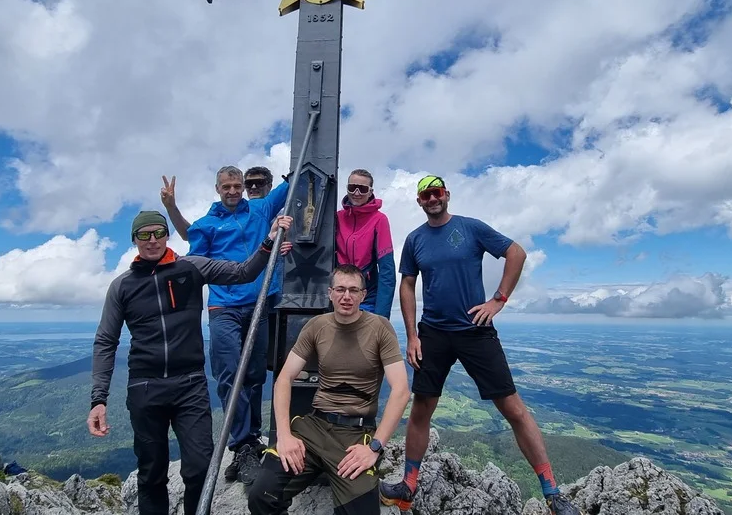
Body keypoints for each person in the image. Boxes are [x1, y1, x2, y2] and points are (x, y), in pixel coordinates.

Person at [379, 176, 580, 515]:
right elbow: (407, 286)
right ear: (419, 201)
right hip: (434, 334)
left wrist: (498, 299)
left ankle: (552, 492)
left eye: (437, 193)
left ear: (447, 195)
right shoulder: (415, 240)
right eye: (426, 195)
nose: (432, 199)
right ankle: (408, 485)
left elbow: (515, 252)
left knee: (513, 408)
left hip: (475, 329)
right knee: (421, 408)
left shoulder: (471, 228)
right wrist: (412, 335)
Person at [89, 209, 293, 515]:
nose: (152, 240)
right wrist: (98, 398)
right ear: (134, 240)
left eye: (158, 232)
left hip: (190, 385)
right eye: (144, 234)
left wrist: (268, 241)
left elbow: (242, 273)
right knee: (151, 472)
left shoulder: (191, 268)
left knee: (199, 468)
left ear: (167, 235)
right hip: (145, 388)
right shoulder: (122, 286)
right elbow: (106, 340)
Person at [247, 264, 409, 515]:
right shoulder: (316, 326)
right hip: (313, 429)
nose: (347, 296)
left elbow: (400, 390)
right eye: (341, 289)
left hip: (355, 435)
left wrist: (375, 448)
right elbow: (284, 379)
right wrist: (285, 436)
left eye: (354, 290)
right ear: (330, 293)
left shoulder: (380, 328)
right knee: (262, 496)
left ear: (363, 295)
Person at [175, 165, 290, 483]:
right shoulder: (206, 225)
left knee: (253, 374)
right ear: (217, 188)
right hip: (223, 307)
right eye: (227, 186)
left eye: (237, 185)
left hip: (259, 304)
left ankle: (250, 439)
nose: (233, 191)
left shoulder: (261, 208)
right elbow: (195, 264)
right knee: (229, 375)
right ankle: (241, 444)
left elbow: (290, 184)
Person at [336, 168, 396, 318]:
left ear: (370, 192)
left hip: (367, 299)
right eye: (352, 187)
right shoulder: (337, 218)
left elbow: (387, 271)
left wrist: (382, 317)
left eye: (362, 189)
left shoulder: (379, 220)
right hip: (338, 297)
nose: (356, 193)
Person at [160, 166, 277, 241]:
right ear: (217, 189)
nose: (254, 187)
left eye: (259, 183)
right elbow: (189, 235)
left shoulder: (282, 212)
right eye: (249, 183)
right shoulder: (211, 220)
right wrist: (171, 207)